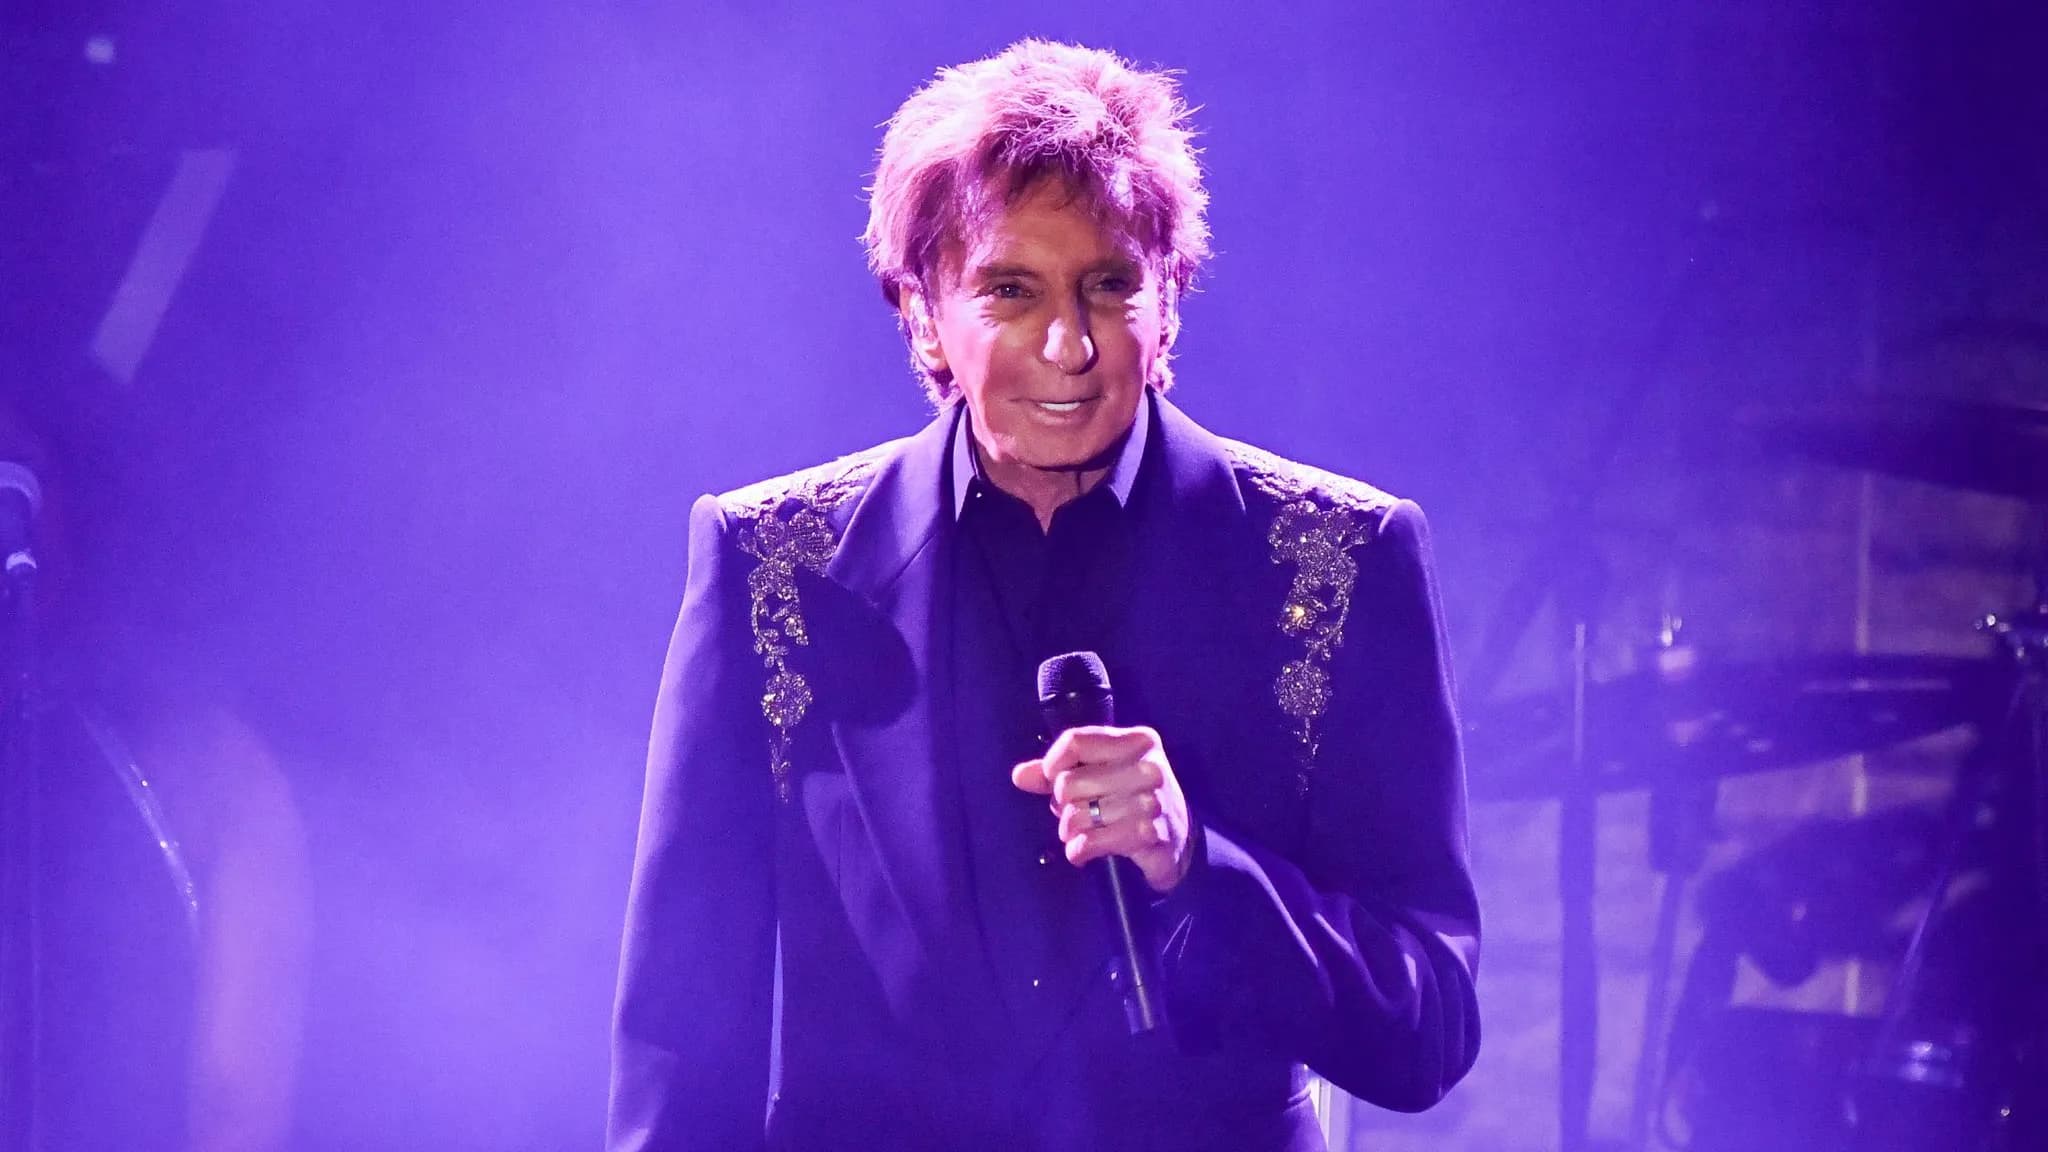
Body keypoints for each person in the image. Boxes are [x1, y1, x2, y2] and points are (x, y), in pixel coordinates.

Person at [609, 39, 1479, 1152]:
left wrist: (1196, 866)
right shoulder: (774, 564)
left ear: (1168, 303)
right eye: (1010, 291)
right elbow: (685, 1039)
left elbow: (1427, 1026)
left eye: (1109, 285)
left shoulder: (1339, 559)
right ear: (922, 311)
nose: (1067, 346)